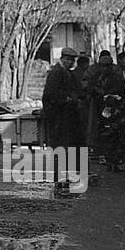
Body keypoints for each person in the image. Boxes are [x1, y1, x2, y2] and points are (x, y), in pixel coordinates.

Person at [41, 47, 86, 191]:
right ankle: (60, 180)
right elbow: (50, 95)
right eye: (70, 60)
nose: (71, 62)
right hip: (59, 117)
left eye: (73, 60)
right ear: (64, 59)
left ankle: (66, 179)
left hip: (68, 117)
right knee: (61, 149)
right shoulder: (56, 73)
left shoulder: (67, 73)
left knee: (67, 149)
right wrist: (67, 100)